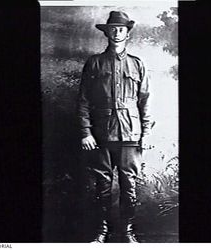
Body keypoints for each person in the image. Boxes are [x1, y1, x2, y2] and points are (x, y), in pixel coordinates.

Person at [77, 11, 154, 243]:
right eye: (113, 28)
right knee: (102, 183)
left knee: (129, 183)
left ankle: (127, 231)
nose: (117, 32)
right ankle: (102, 232)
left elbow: (145, 100)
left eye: (122, 29)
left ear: (127, 34)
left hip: (131, 134)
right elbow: (83, 100)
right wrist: (86, 132)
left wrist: (147, 132)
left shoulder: (137, 64)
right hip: (100, 134)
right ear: (107, 32)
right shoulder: (94, 63)